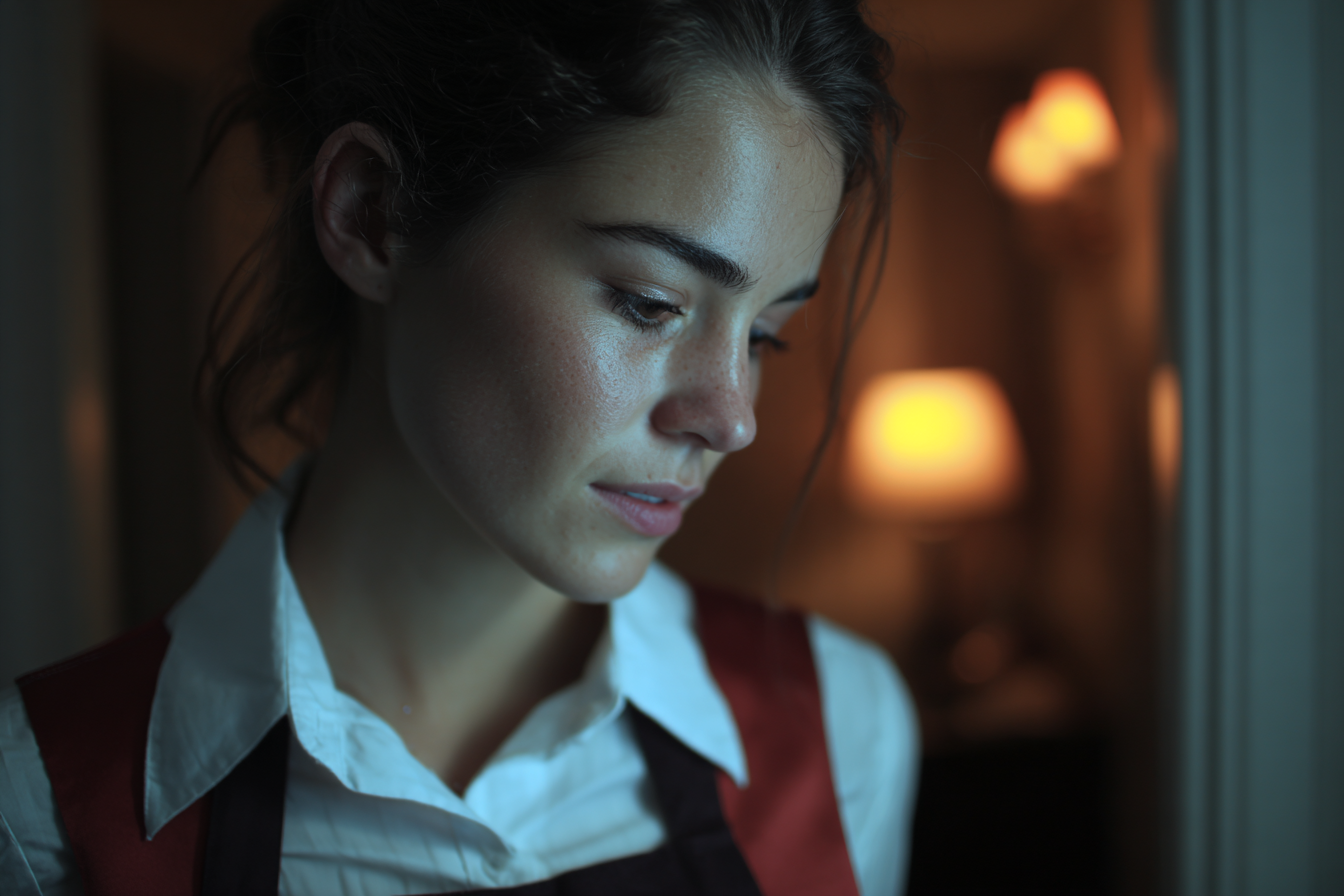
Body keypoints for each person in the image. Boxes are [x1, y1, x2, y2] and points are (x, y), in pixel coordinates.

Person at [0, 1, 918, 893]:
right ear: (372, 214)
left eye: (764, 336)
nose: (732, 419)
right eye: (650, 303)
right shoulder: (39, 814)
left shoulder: (842, 727)